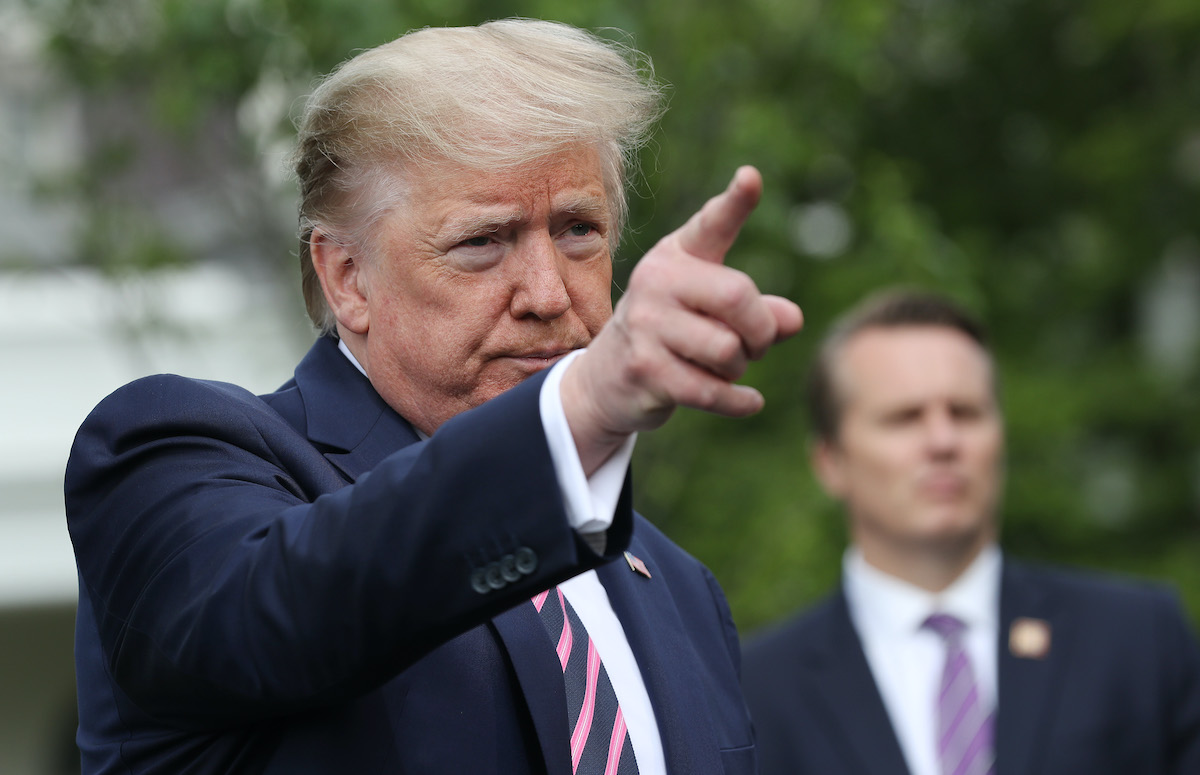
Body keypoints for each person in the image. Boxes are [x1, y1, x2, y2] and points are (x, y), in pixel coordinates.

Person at [64, 19, 803, 775]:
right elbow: (292, 602)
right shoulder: (172, 455)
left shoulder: (678, 587)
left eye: (579, 230)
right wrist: (579, 413)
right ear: (347, 276)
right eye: (483, 241)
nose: (549, 293)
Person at [741, 288, 1200, 775]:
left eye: (965, 412)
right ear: (830, 462)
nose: (944, 441)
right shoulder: (754, 689)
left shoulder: (1136, 640)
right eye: (905, 418)